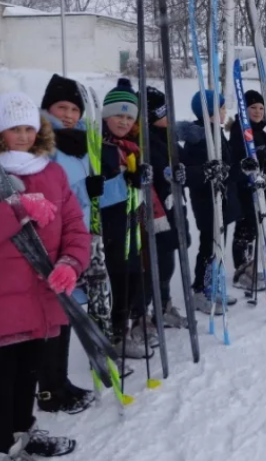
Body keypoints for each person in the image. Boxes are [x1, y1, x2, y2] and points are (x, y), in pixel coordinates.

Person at [0, 85, 87, 460]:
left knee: (30, 369)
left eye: (30, 128)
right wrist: (16, 208)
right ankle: (2, 449)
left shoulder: (52, 171)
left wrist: (71, 263)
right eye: (15, 129)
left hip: (44, 289)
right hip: (0, 292)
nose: (24, 136)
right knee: (3, 372)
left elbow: (75, 225)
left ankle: (24, 432)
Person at [36, 74, 118, 415]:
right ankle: (50, 389)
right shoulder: (43, 146)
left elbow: (95, 196)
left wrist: (117, 186)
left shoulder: (85, 141)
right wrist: (89, 190)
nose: (69, 114)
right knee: (55, 315)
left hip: (81, 237)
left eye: (74, 108)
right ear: (47, 108)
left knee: (69, 314)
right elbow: (52, 197)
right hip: (53, 241)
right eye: (61, 107)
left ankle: (60, 381)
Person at [98, 82, 169, 357]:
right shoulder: (100, 147)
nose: (124, 122)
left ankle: (127, 328)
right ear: (106, 116)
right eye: (119, 116)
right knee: (118, 282)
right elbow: (96, 191)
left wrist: (141, 179)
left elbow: (139, 185)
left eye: (129, 117)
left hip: (133, 223)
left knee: (134, 280)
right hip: (112, 227)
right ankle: (116, 334)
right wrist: (125, 180)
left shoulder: (131, 146)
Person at [176, 91, 241, 313]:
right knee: (209, 245)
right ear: (209, 113)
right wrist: (214, 173)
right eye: (221, 109)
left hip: (223, 199)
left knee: (218, 245)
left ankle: (213, 283)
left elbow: (227, 164)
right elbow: (196, 173)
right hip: (208, 203)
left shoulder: (216, 133)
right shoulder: (199, 139)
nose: (225, 113)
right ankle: (200, 289)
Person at [143, 86, 191, 328]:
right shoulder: (146, 143)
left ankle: (164, 305)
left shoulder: (167, 137)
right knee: (158, 265)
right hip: (156, 213)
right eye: (163, 113)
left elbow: (184, 161)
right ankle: (149, 312)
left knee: (168, 262)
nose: (168, 117)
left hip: (173, 209)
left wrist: (184, 172)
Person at [228, 89, 266, 290]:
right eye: (253, 107)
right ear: (244, 109)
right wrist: (245, 170)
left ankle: (249, 264)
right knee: (244, 228)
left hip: (257, 188)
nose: (257, 111)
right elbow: (235, 161)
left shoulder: (260, 132)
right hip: (243, 189)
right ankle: (241, 270)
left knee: (253, 227)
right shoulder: (240, 131)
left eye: (261, 108)